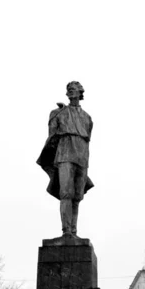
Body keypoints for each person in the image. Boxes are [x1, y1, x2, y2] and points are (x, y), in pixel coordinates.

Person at [37, 81, 94, 237]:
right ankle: (66, 231)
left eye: (73, 89)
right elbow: (51, 137)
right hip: (65, 154)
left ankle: (74, 231)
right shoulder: (57, 113)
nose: (70, 92)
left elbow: (88, 139)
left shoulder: (87, 118)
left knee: (77, 196)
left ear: (80, 92)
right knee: (66, 193)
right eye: (68, 90)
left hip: (82, 157)